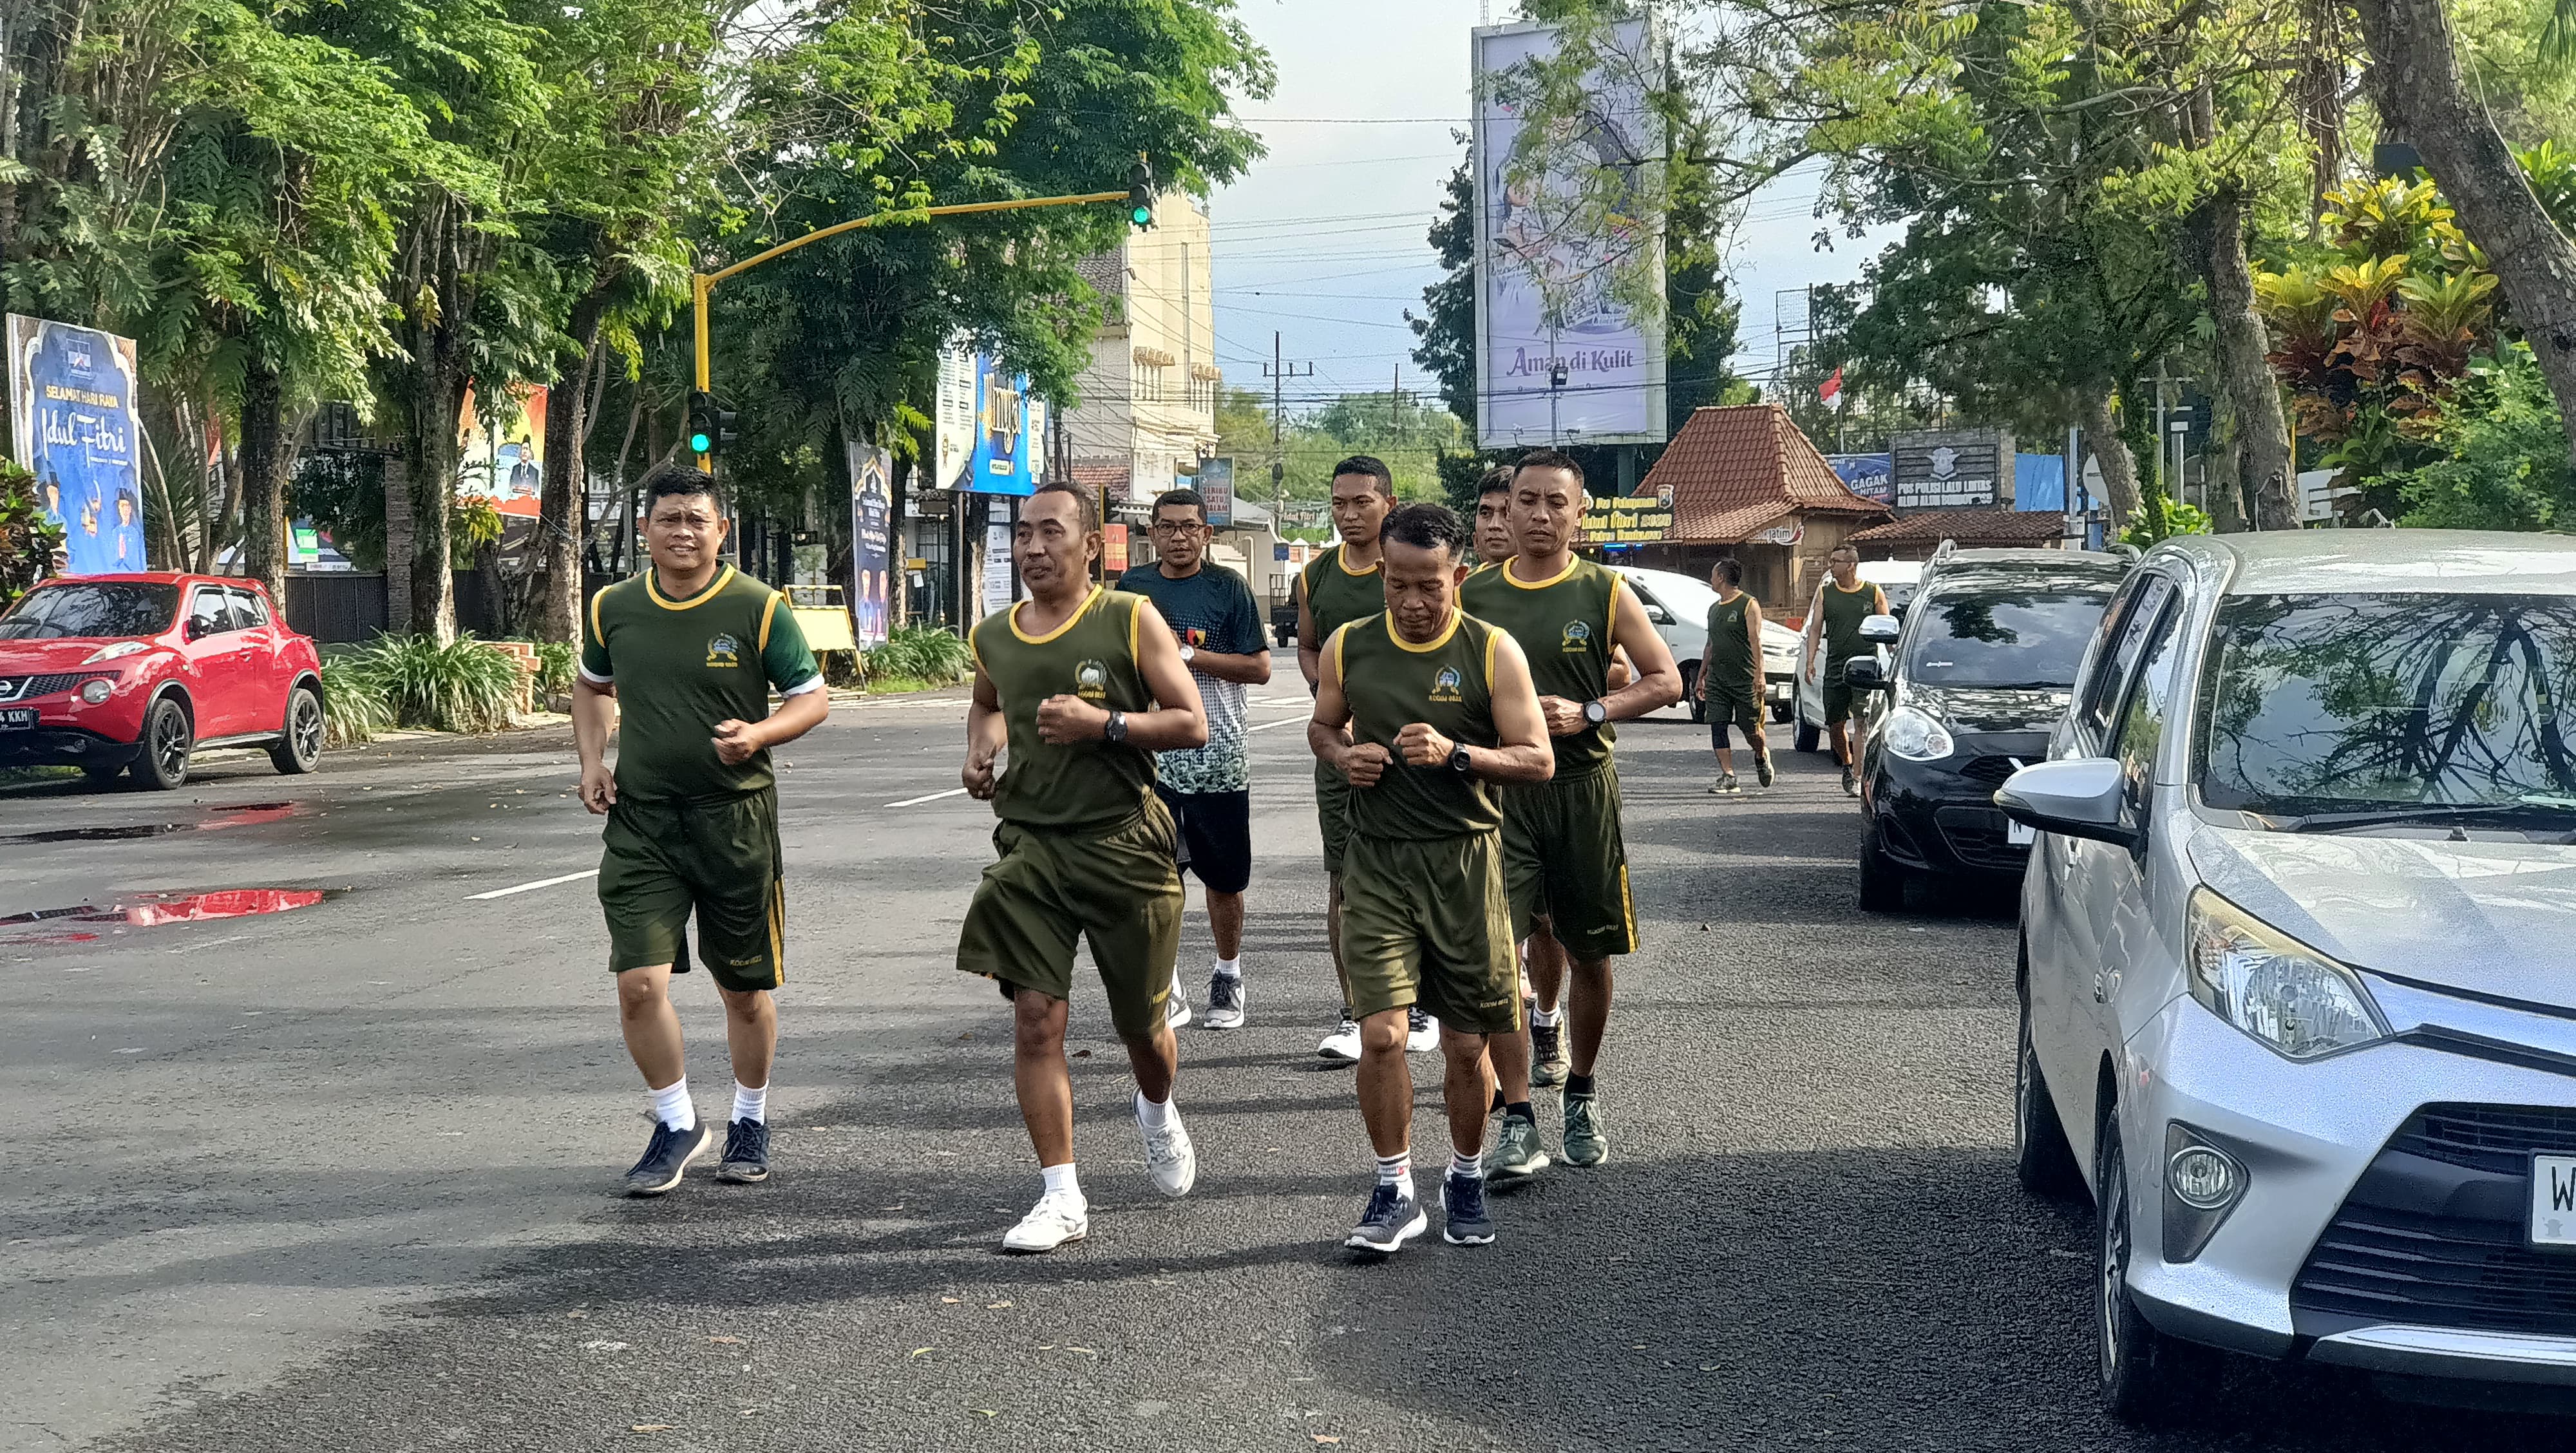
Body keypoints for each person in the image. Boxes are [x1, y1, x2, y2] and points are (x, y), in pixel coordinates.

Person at [958, 482, 1209, 1253]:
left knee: (1143, 1029)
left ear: (1090, 546)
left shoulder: (1130, 619)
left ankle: (1156, 1108)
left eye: (1051, 533)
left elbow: (1190, 723)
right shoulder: (995, 634)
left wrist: (1105, 725)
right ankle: (1061, 1195)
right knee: (1036, 1021)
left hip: (1125, 846)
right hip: (1032, 849)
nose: (1034, 548)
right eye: (1024, 534)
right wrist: (979, 747)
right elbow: (989, 702)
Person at [573, 465, 831, 1197]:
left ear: (722, 531)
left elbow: (811, 700)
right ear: (645, 531)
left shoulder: (757, 606)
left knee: (743, 991)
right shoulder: (614, 608)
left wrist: (759, 733)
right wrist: (592, 760)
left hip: (735, 822)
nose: (682, 532)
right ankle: (676, 1121)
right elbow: (593, 688)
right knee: (637, 984)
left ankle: (749, 1117)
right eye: (668, 520)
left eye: (697, 519)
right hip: (644, 823)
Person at [1307, 502, 1553, 1252]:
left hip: (1465, 865)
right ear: (1382, 572)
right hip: (1376, 864)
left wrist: (1457, 754)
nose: (1412, 603)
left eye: (1429, 586)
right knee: (1381, 1036)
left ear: (1460, 575)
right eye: (1397, 585)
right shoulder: (1348, 646)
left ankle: (1467, 1174)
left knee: (1464, 1048)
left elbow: (1536, 759)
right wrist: (1342, 754)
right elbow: (1323, 725)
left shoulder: (1492, 650)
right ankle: (1392, 1189)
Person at [1458, 449, 1682, 1175]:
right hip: (1503, 797)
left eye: (1557, 503)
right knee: (1497, 959)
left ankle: (1580, 1093)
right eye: (1527, 501)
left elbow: (1666, 680)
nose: (1541, 515)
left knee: (1590, 953)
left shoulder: (1604, 590)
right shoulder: (1476, 595)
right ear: (1506, 508)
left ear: (1579, 513)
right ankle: (1518, 1117)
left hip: (1582, 793)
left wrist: (1591, 710)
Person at [1118, 487, 1272, 1030]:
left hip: (1219, 757)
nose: (1178, 536)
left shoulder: (1227, 587)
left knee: (1224, 881)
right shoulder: (1133, 589)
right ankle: (1168, 983)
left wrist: (1189, 656)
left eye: (1189, 527)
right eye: (1167, 526)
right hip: (1152, 760)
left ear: (1207, 534)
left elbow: (1259, 668)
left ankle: (1227, 975)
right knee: (1155, 876)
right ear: (1152, 533)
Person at [1299, 456, 1435, 1062]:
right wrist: (1335, 703)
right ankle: (1355, 1011)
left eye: (1362, 502)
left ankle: (1428, 1004)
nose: (1349, 514)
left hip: (1423, 750)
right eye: (1339, 503)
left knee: (1430, 876)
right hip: (1344, 751)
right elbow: (1307, 647)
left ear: (1390, 504)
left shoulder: (1412, 568)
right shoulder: (1316, 576)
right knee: (1345, 881)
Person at [1801, 542, 1888, 797]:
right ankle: (1848, 765)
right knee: (1835, 725)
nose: (1830, 566)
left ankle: (1859, 777)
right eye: (1830, 561)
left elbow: (1886, 627)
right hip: (1836, 667)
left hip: (1865, 669)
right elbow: (1816, 628)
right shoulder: (1826, 593)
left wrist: (1895, 661)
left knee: (1861, 723)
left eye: (1835, 562)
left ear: (1850, 565)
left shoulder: (1873, 592)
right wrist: (1810, 660)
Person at [1695, 558, 1774, 794]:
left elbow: (1755, 641)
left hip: (1744, 678)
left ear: (1721, 578)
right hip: (1718, 678)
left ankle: (1761, 756)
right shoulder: (1714, 609)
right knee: (1717, 725)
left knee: (1751, 730)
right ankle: (1729, 776)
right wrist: (1701, 676)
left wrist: (1760, 675)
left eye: (1712, 575)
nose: (1710, 579)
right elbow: (1710, 645)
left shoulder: (1749, 604)